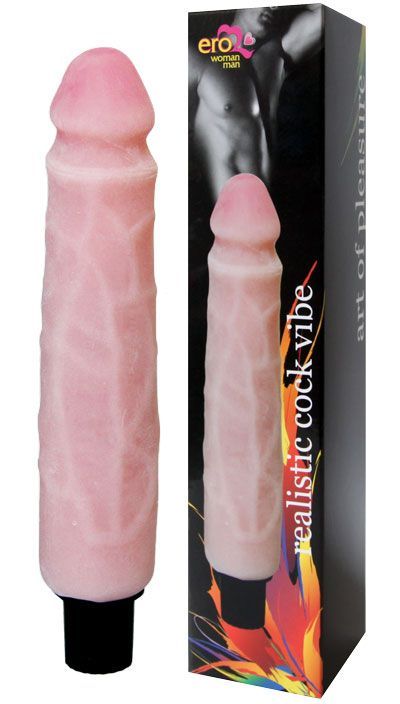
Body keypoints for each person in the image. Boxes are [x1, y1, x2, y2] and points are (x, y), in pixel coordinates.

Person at [189, 5, 322, 200]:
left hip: (268, 205)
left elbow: (327, 15)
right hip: (225, 208)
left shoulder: (276, 55)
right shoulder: (198, 59)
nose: (273, 6)